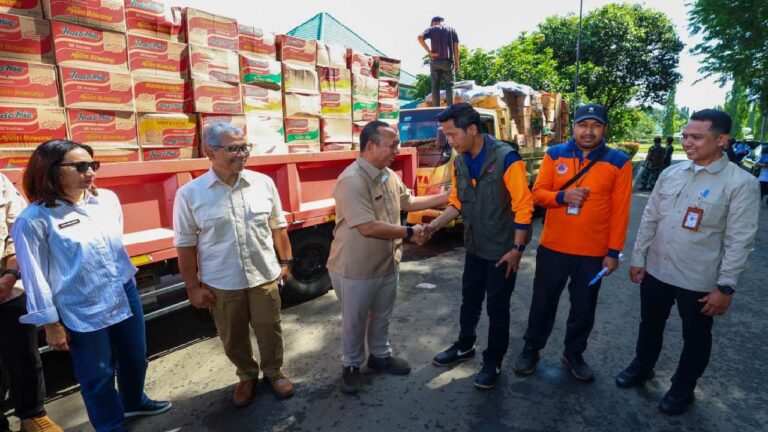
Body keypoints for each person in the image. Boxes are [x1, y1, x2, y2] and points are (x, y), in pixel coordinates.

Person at [12, 140, 171, 432]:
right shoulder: (34, 220)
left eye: (93, 165)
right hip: (79, 303)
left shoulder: (106, 200)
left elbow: (115, 247)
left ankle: (134, 400)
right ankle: (110, 425)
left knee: (135, 356)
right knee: (97, 373)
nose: (91, 172)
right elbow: (34, 277)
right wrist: (51, 323)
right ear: (50, 170)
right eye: (81, 166)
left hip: (123, 289)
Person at [617, 109, 760, 415]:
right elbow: (651, 218)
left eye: (697, 137)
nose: (687, 142)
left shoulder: (740, 184)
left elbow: (740, 240)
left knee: (695, 336)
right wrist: (638, 257)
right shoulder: (672, 173)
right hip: (656, 269)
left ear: (722, 140)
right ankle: (642, 367)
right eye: (685, 136)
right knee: (649, 324)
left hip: (698, 278)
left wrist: (726, 286)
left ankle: (683, 388)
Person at [174, 123, 294, 407]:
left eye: (245, 147)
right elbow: (185, 245)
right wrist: (193, 287)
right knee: (232, 336)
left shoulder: (263, 183)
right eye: (233, 149)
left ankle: (274, 372)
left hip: (263, 275)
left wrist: (286, 261)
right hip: (222, 282)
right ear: (210, 152)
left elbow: (278, 227)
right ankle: (246, 376)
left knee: (270, 329)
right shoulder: (190, 194)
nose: (242, 154)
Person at [512, 103, 633, 382]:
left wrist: (613, 252)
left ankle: (574, 353)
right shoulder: (555, 155)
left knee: (584, 306)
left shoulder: (619, 162)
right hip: (553, 248)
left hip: (593, 255)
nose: (588, 132)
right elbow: (537, 194)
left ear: (604, 128)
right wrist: (562, 198)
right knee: (542, 302)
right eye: (583, 125)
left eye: (595, 126)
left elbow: (621, 211)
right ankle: (532, 348)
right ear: (573, 127)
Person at [327, 120, 448, 395]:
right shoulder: (352, 180)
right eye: (392, 145)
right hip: (355, 266)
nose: (398, 149)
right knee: (354, 319)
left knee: (382, 314)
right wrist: (410, 231)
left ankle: (379, 355)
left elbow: (409, 202)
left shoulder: (387, 174)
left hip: (386, 261)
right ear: (370, 146)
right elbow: (366, 226)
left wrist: (448, 196)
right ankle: (351, 366)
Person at [424, 103, 534, 390]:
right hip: (474, 246)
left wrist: (517, 251)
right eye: (445, 135)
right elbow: (457, 202)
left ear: (472, 130)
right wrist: (433, 226)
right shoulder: (460, 161)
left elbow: (524, 208)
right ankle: (464, 345)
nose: (449, 141)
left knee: (497, 308)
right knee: (469, 301)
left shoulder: (507, 159)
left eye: (452, 134)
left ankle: (493, 360)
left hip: (502, 251)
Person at [0, 173, 63, 432]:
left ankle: (33, 415)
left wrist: (9, 274)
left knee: (23, 355)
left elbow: (18, 230)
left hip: (7, 287)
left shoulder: (0, 182)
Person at [418, 16, 460, 107]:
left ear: (435, 22)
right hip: (448, 62)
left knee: (435, 86)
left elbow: (420, 37)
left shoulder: (432, 29)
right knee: (449, 85)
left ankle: (435, 108)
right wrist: (457, 63)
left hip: (435, 62)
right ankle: (450, 109)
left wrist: (429, 52)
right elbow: (456, 47)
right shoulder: (452, 30)